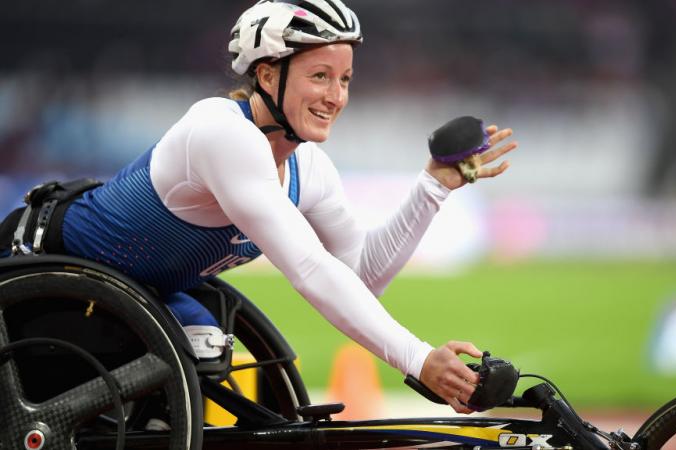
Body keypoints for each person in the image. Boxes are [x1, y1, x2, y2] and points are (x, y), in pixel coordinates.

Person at [2, 0, 517, 414]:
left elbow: (360, 278)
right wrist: (420, 361)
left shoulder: (308, 167)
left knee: (206, 350)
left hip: (140, 291)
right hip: (45, 264)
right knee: (188, 358)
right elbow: (312, 269)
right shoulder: (221, 132)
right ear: (268, 77)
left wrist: (433, 187)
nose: (336, 96)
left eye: (345, 79)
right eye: (320, 76)